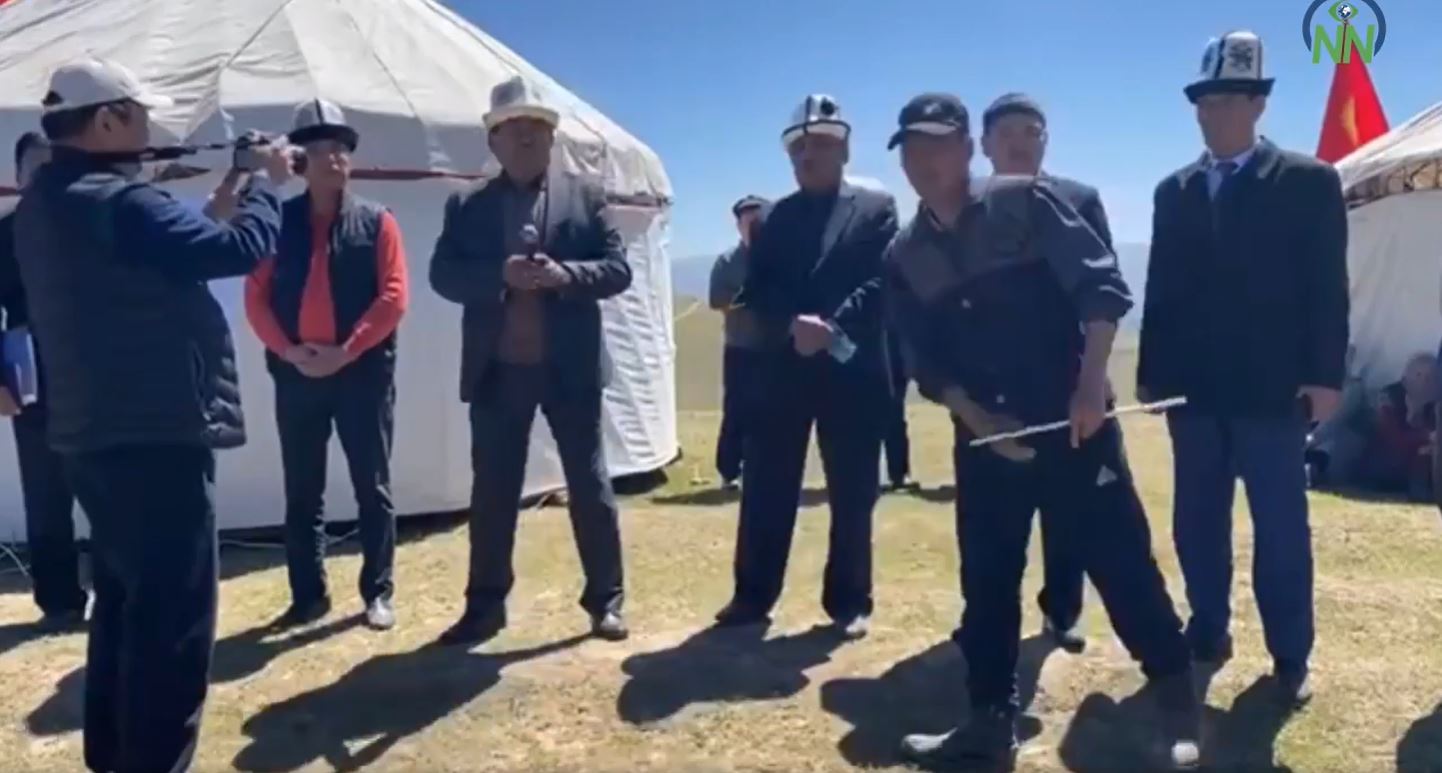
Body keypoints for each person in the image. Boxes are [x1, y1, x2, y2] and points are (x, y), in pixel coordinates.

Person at [883, 92, 1201, 770]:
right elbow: (922, 357)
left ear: (966, 148)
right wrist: (974, 417)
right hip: (984, 439)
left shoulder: (1022, 202)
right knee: (987, 581)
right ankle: (989, 723)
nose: (925, 160)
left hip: (1074, 425)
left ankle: (1177, 695)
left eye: (938, 144)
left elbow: (1102, 290)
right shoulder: (906, 253)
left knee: (1120, 563)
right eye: (912, 148)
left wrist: (1090, 385)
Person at [14, 57, 289, 773]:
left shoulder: (46, 201)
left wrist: (225, 194)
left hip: (90, 435)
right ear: (108, 120)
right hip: (155, 435)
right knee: (173, 625)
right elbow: (238, 250)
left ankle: (113, 758)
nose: (149, 128)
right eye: (139, 116)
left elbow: (153, 255)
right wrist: (267, 184)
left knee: (123, 606)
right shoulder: (119, 201)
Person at [1137, 30, 1349, 710]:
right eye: (1206, 101)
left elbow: (1328, 287)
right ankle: (1207, 629)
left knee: (1280, 529)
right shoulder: (1175, 191)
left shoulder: (1308, 182)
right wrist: (1151, 374)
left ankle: (1290, 655)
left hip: (1274, 391)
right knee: (1197, 522)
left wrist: (1326, 376)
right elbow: (1161, 288)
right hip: (1195, 393)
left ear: (1259, 105)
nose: (1215, 113)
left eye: (1230, 100)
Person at [430, 76, 632, 645]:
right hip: (497, 371)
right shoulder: (467, 205)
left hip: (570, 369)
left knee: (589, 487)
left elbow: (618, 269)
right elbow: (443, 275)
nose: (526, 137)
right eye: (513, 128)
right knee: (493, 493)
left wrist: (564, 275)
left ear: (552, 137)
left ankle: (606, 601)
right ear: (492, 140)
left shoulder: (586, 195)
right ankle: (485, 607)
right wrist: (500, 275)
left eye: (537, 127)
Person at [714, 94, 898, 639]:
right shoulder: (775, 217)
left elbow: (883, 279)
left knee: (852, 490)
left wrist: (832, 326)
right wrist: (793, 322)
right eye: (798, 148)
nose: (807, 156)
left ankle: (849, 601)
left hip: (852, 369)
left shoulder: (876, 208)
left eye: (820, 145)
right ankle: (752, 595)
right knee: (767, 485)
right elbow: (759, 288)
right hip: (784, 367)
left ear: (844, 150)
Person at [244, 99, 409, 631]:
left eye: (341, 149)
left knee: (372, 485)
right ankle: (307, 595)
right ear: (299, 162)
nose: (334, 158)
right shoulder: (277, 221)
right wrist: (288, 350)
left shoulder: (378, 220)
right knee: (303, 490)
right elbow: (256, 295)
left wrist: (348, 350)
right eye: (320, 150)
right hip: (297, 374)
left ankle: (377, 592)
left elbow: (393, 296)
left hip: (362, 373)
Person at [978, 91, 1115, 652]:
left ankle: (1063, 610)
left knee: (1069, 511)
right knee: (995, 521)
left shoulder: (1079, 200)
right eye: (1006, 133)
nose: (1019, 143)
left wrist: (1092, 382)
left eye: (1030, 132)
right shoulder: (966, 209)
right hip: (994, 393)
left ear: (1045, 142)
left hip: (1069, 383)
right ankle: (989, 623)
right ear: (985, 144)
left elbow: (1103, 294)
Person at [0, 132, 89, 631]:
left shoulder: (91, 227)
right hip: (32, 383)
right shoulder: (4, 235)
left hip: (97, 379)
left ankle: (121, 592)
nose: (41, 177)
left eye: (50, 167)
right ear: (17, 175)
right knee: (46, 495)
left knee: (111, 489)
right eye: (33, 167)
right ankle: (59, 602)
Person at [708, 194, 768, 489]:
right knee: (737, 409)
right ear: (738, 226)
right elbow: (716, 299)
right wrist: (744, 298)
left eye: (758, 219)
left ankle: (766, 468)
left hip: (777, 347)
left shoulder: (782, 257)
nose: (753, 225)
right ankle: (729, 471)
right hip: (741, 346)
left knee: (775, 409)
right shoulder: (727, 261)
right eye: (747, 220)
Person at [1359, 353, 1436, 499]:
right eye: (1418, 375)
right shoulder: (1389, 397)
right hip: (1384, 467)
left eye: (1430, 377)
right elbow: (1393, 438)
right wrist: (1426, 436)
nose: (1424, 382)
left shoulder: (1435, 403)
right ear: (1405, 379)